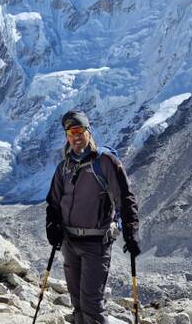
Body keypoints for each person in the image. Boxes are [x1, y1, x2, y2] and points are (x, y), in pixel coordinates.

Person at [46, 110, 141, 324]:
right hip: (70, 242)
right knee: (77, 303)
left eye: (79, 131)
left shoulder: (105, 162)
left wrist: (131, 233)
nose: (76, 137)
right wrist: (52, 227)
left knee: (91, 303)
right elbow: (53, 202)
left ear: (88, 131)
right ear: (66, 136)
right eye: (71, 133)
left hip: (96, 244)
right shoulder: (64, 167)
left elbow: (125, 198)